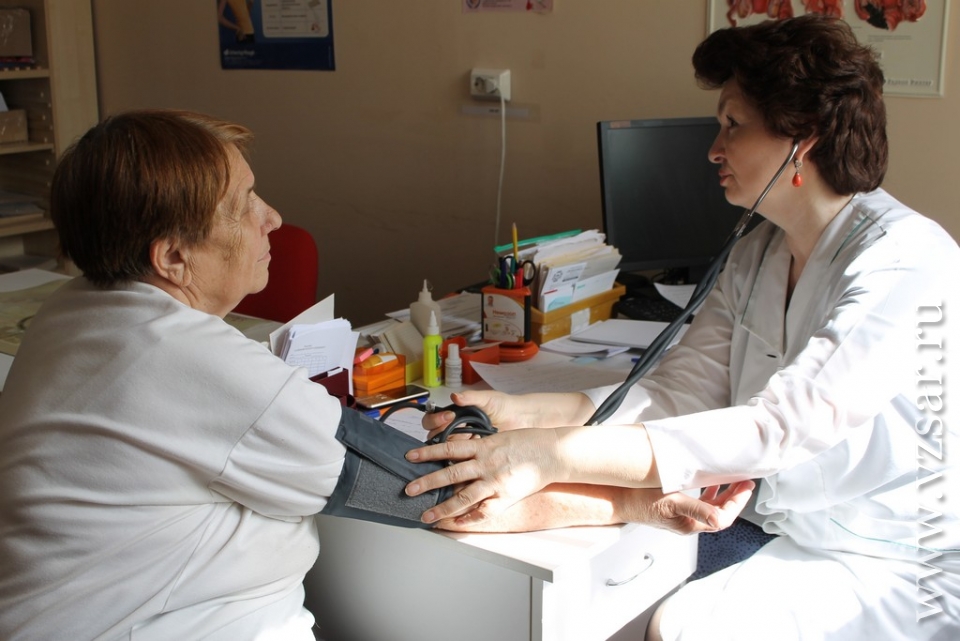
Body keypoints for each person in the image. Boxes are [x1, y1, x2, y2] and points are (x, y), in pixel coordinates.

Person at [0, 109, 748, 640]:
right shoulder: (183, 360)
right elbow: (440, 489)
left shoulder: (73, 313)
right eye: (243, 205)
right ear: (172, 257)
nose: (272, 217)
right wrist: (636, 501)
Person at [407, 15, 959, 641]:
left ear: (801, 138)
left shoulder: (907, 261)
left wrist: (551, 453)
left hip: (901, 560)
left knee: (674, 629)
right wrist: (528, 415)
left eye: (733, 124)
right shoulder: (758, 253)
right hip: (797, 529)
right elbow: (680, 392)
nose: (714, 149)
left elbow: (780, 425)